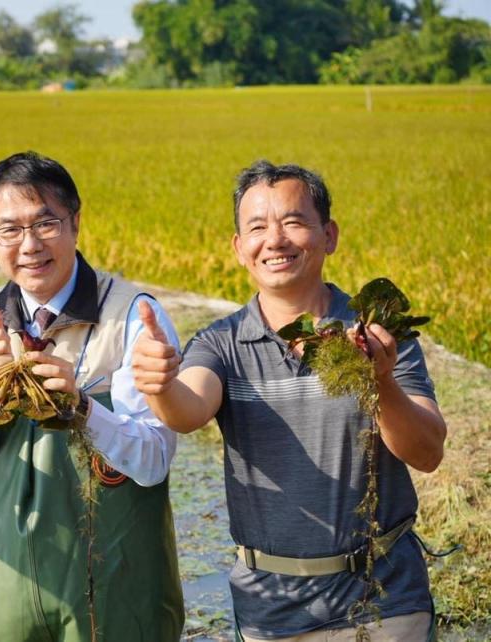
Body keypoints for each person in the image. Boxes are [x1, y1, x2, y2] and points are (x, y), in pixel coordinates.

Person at [132, 160, 447, 641]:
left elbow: (427, 453)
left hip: (387, 602)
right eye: (257, 227)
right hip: (272, 612)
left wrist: (380, 380)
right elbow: (187, 410)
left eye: (294, 222)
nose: (274, 240)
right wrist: (158, 384)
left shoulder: (375, 335)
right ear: (240, 249)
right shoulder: (222, 344)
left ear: (329, 235)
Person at [0, 151, 185, 641]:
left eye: (46, 222)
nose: (29, 245)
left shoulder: (135, 316)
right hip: (6, 584)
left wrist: (83, 406)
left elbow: (155, 458)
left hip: (119, 581)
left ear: (75, 222)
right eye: (9, 229)